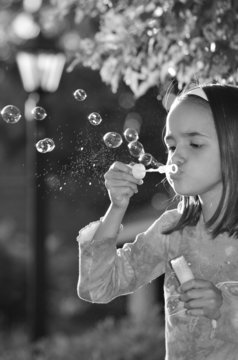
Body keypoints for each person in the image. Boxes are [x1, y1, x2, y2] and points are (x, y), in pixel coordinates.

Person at [77, 84, 238, 359]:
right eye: (171, 145)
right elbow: (96, 287)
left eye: (195, 144)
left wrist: (224, 306)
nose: (177, 156)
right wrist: (117, 208)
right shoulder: (172, 231)